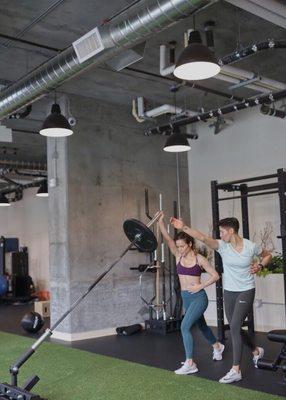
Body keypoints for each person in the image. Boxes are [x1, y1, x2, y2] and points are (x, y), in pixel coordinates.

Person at [170, 216, 272, 384]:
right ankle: (255, 351)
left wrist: (260, 265)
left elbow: (267, 255)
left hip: (246, 290)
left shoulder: (250, 246)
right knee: (235, 327)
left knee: (234, 326)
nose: (220, 234)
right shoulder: (222, 246)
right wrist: (184, 227)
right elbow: (202, 237)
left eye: (223, 231)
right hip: (229, 292)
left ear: (231, 231)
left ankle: (235, 369)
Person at [158, 212, 225, 375]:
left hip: (199, 298)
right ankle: (218, 346)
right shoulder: (177, 256)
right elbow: (167, 239)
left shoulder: (199, 259)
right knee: (201, 325)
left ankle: (190, 363)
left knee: (184, 326)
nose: (179, 249)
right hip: (186, 298)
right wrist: (160, 222)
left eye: (182, 246)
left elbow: (216, 275)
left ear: (189, 244)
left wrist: (200, 285)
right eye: (178, 246)